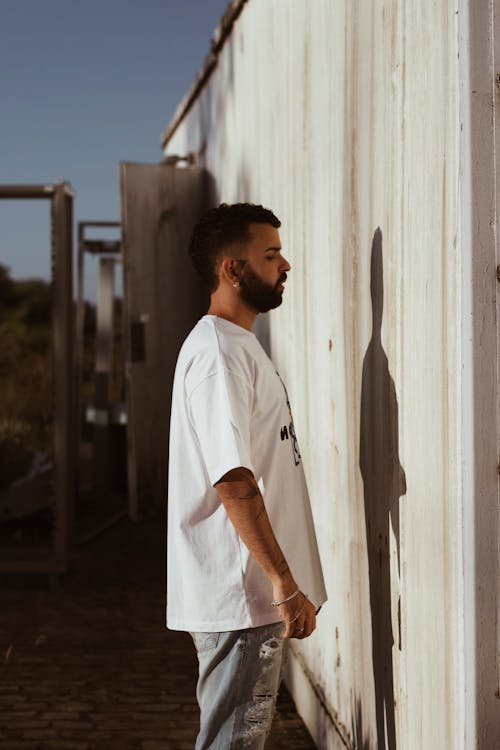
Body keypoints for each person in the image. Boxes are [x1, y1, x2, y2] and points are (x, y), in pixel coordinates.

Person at [166, 202, 327, 749]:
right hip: (242, 594)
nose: (286, 265)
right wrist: (281, 581)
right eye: (271, 254)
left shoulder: (238, 346)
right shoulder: (217, 354)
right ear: (232, 269)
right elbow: (232, 478)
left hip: (249, 593)